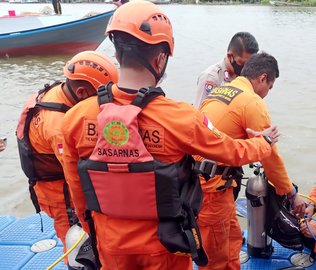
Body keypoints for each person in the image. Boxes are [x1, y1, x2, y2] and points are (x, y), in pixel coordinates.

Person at [61, 2, 278, 269]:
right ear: (161, 58)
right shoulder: (181, 117)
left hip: (110, 244)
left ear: (116, 54)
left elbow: (77, 193)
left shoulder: (73, 120)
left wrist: (97, 230)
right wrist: (263, 143)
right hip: (165, 246)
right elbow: (231, 151)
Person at [195, 52, 305, 269]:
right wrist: (291, 194)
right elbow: (270, 157)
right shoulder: (252, 102)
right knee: (216, 256)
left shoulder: (220, 91)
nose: (266, 94)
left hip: (206, 185)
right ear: (263, 78)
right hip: (210, 191)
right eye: (269, 88)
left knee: (233, 238)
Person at [16, 51, 118, 260]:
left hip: (56, 183)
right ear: (81, 92)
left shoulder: (59, 92)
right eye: (100, 95)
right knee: (76, 245)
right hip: (60, 196)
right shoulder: (57, 125)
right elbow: (77, 172)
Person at [195, 32, 259, 107]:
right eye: (243, 63)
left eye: (250, 63)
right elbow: (200, 112)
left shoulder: (246, 77)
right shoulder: (211, 77)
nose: (247, 68)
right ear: (230, 56)